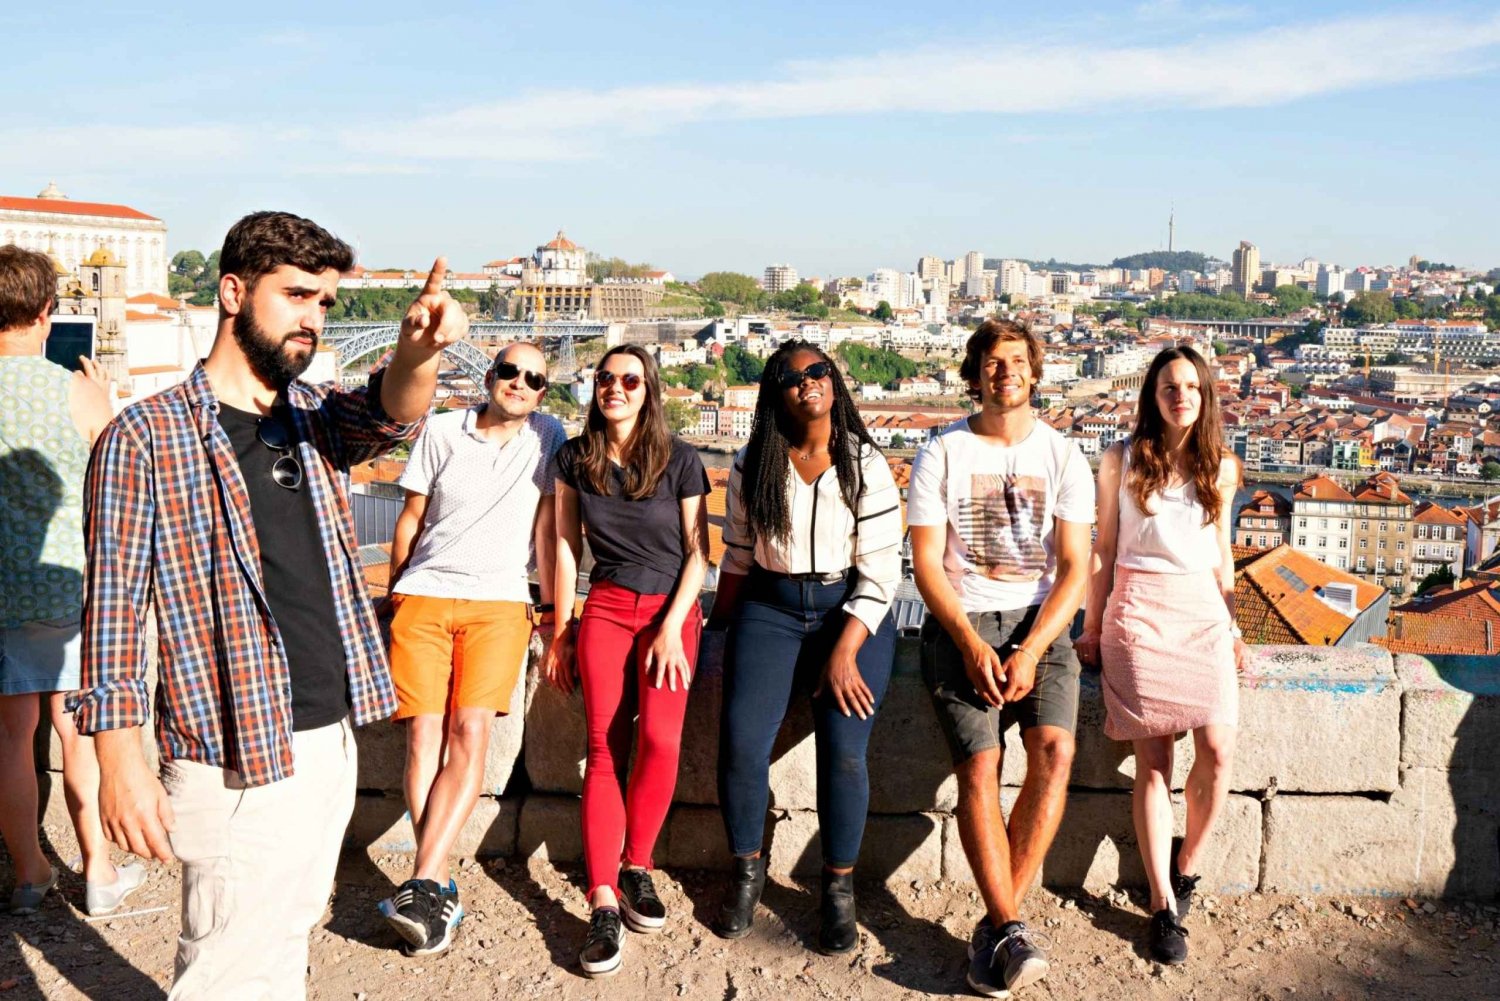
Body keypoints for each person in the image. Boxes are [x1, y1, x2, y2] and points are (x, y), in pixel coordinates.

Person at [75, 211, 468, 1000]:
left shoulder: (312, 416)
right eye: (295, 295)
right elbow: (111, 613)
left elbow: (392, 411)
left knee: (281, 944)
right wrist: (119, 762)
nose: (312, 318)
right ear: (232, 292)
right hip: (234, 752)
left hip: (328, 735)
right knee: (228, 971)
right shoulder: (145, 436)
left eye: (324, 302)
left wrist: (419, 351)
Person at [907, 318, 1094, 998]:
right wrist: (969, 640)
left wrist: (1034, 647)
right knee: (980, 767)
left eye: (1016, 361)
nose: (1005, 372)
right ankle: (1010, 927)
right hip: (962, 622)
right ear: (975, 374)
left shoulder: (1064, 456)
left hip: (1040, 623)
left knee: (1055, 754)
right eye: (992, 361)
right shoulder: (941, 452)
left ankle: (997, 928)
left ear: (1035, 373)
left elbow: (1075, 568)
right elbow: (926, 564)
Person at [708, 340, 902, 953]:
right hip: (770, 608)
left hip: (851, 611)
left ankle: (838, 889)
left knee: (844, 753)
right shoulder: (754, 462)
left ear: (834, 382)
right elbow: (739, 556)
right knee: (742, 743)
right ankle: (747, 871)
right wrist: (718, 630)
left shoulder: (864, 464)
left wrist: (843, 652)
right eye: (793, 378)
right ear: (777, 394)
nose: (808, 382)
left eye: (818, 371)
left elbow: (882, 573)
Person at [378, 342, 566, 956]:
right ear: (489, 376)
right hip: (425, 595)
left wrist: (551, 611)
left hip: (501, 603)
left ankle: (423, 883)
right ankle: (433, 887)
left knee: (471, 731)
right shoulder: (440, 429)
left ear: (543, 392)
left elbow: (549, 530)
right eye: (510, 371)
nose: (520, 382)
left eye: (534, 378)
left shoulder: (549, 437)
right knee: (422, 738)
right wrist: (396, 592)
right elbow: (411, 518)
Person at [1074, 345, 1247, 965]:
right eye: (1170, 387)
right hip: (1140, 609)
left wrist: (1233, 625)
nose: (1181, 397)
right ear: (1152, 395)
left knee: (1218, 752)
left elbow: (1222, 553)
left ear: (1206, 396)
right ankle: (1162, 905)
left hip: (1202, 612)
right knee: (1155, 763)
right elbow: (1103, 548)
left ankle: (1187, 865)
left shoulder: (1223, 467)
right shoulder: (1120, 460)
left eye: (1192, 387)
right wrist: (1093, 625)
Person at [542, 344, 709, 978]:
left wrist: (672, 627)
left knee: (662, 740)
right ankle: (603, 899)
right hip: (608, 607)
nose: (615, 387)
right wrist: (561, 628)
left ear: (649, 390)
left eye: (630, 380)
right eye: (606, 378)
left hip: (671, 610)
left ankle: (637, 862)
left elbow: (699, 553)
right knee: (604, 746)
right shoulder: (574, 459)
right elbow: (565, 547)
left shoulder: (680, 459)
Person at [0, 245, 146, 917]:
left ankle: (30, 876)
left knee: (11, 738)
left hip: (3, 592)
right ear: (47, 312)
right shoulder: (76, 390)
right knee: (76, 732)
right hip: (69, 588)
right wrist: (105, 400)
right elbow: (123, 485)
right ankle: (98, 871)